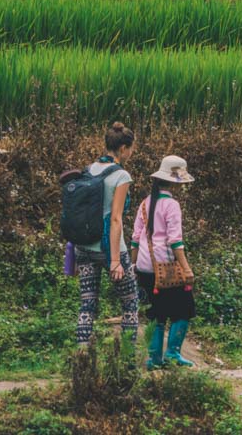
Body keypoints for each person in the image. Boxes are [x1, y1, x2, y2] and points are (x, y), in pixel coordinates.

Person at [74, 121, 139, 352]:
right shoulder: (121, 176)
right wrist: (114, 261)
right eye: (131, 149)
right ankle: (128, 359)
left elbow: (76, 214)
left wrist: (71, 255)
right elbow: (115, 219)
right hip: (111, 249)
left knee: (87, 304)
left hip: (83, 248)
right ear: (123, 148)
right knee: (130, 302)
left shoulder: (88, 170)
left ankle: (82, 357)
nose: (131, 153)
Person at [132, 155, 196, 369]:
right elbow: (175, 241)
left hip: (144, 266)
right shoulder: (171, 205)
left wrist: (133, 266)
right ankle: (172, 354)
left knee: (156, 312)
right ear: (175, 182)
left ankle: (154, 358)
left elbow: (135, 238)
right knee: (185, 308)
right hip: (165, 267)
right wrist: (186, 269)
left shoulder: (145, 203)